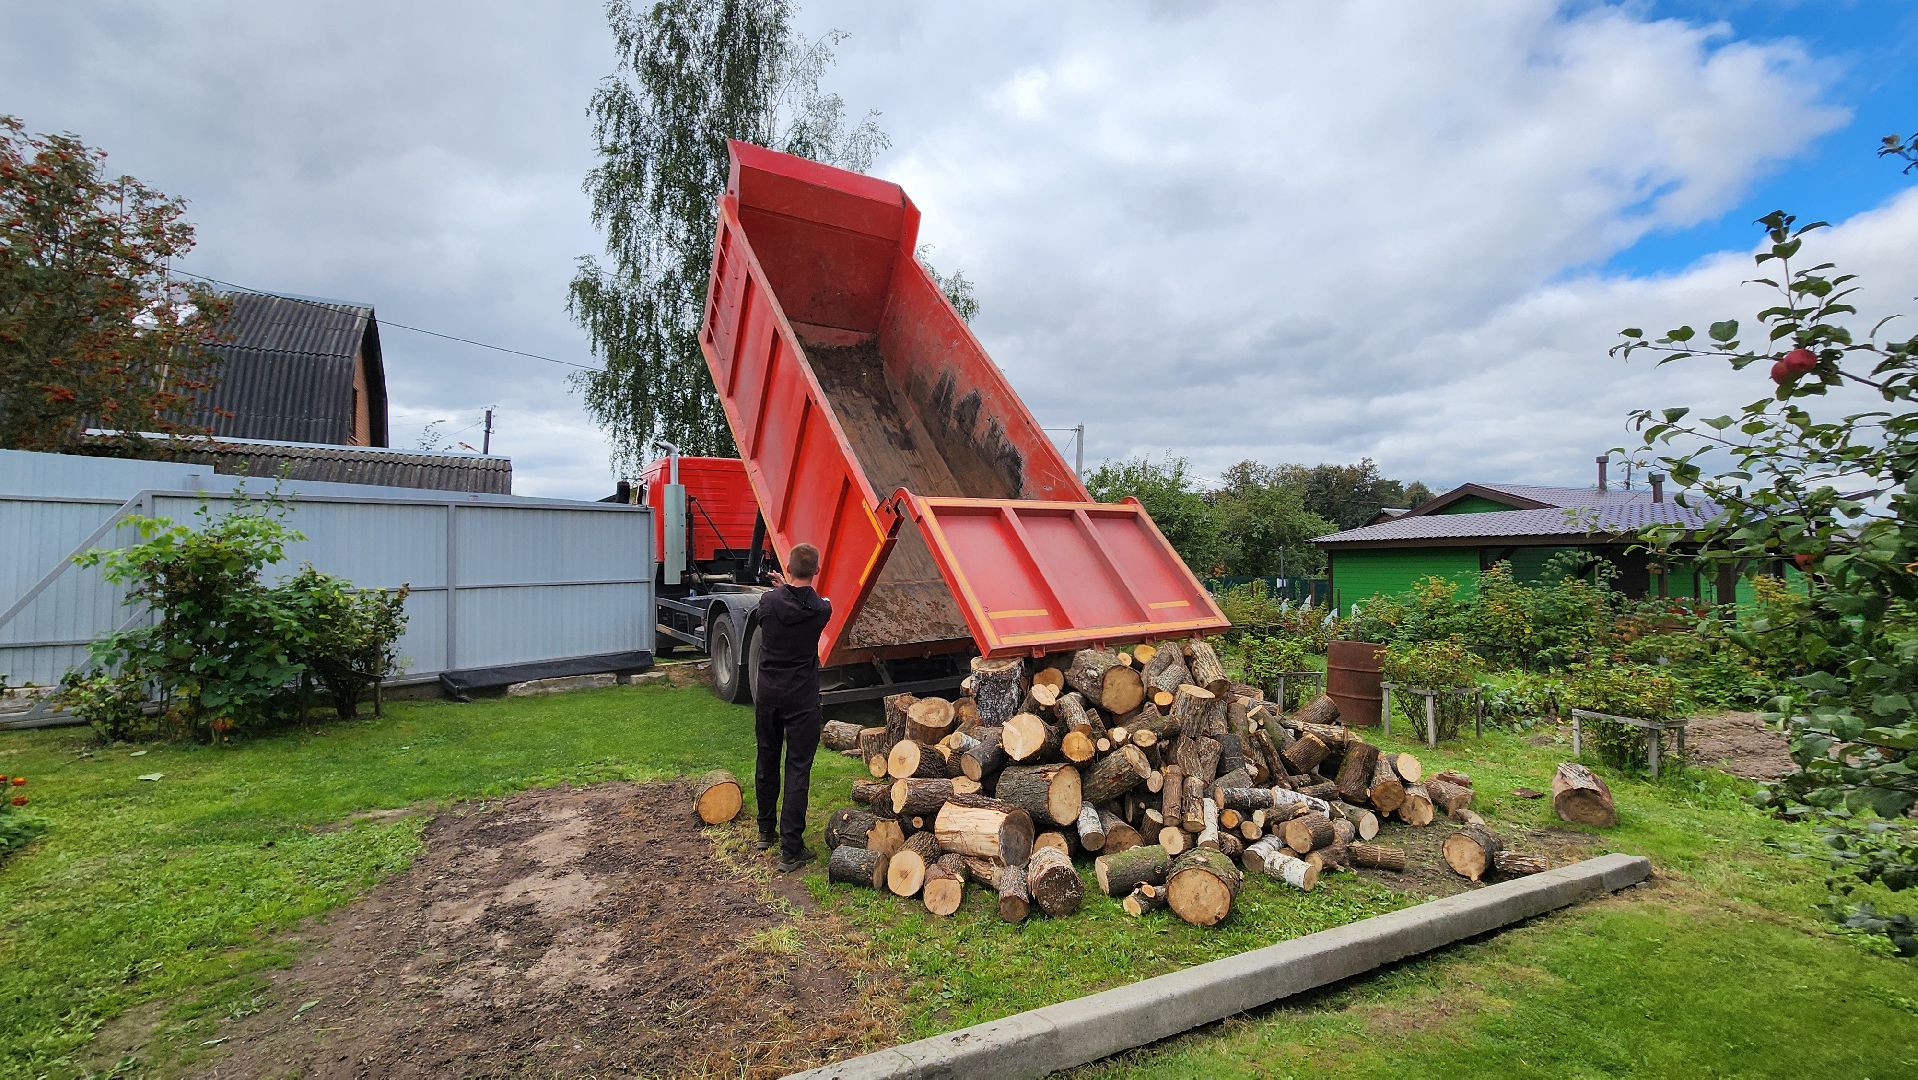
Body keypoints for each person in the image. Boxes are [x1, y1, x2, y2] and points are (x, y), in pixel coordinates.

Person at [753, 542, 831, 872]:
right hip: (801, 699)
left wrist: (782, 589)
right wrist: (789, 587)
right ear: (816, 570)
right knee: (797, 769)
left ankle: (765, 831)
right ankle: (791, 849)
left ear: (787, 566)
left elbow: (769, 614)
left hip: (769, 695)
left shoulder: (768, 602)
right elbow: (807, 602)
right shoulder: (822, 609)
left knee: (767, 757)